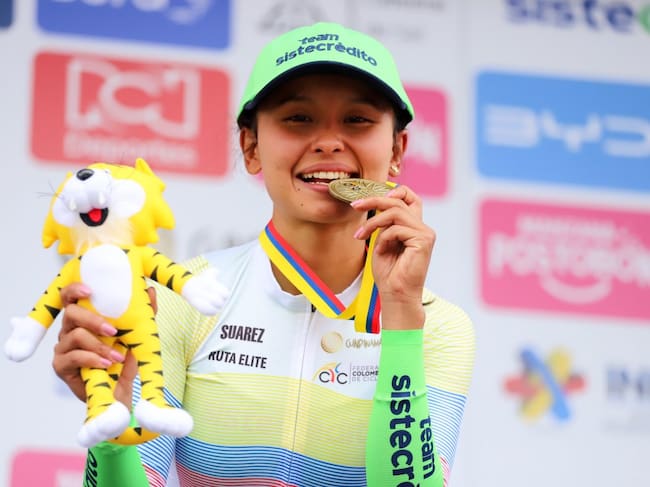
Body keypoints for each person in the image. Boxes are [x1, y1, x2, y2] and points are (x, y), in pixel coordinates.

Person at [53, 22, 475, 487]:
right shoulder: (182, 300)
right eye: (299, 118)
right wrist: (111, 431)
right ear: (251, 147)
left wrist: (400, 317)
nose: (329, 141)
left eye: (358, 119)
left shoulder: (436, 326)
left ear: (396, 149)